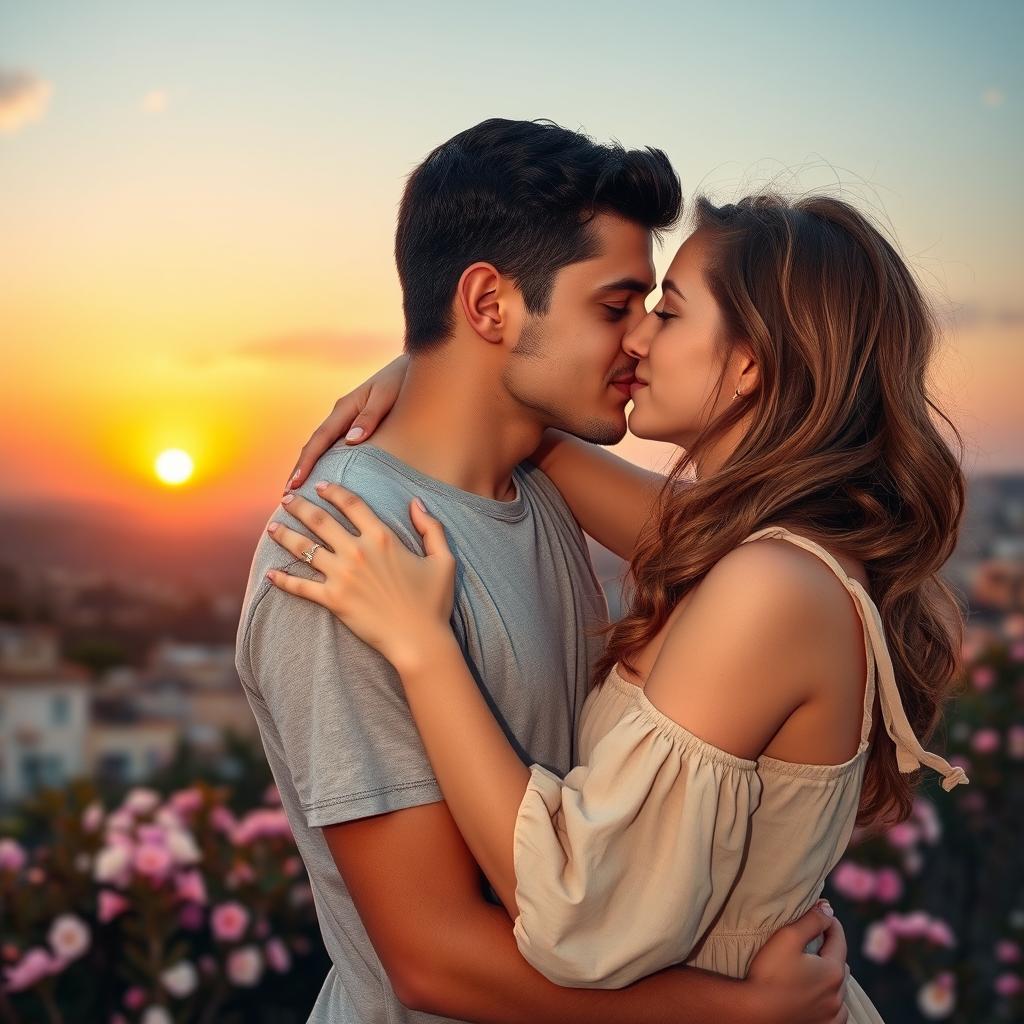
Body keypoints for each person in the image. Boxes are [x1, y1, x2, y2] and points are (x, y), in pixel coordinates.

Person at [277, 189, 971, 1021]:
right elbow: (543, 442)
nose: (636, 335)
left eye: (667, 313)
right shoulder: (762, 550)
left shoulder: (769, 590)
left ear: (751, 363)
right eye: (626, 307)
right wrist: (448, 367)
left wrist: (423, 648)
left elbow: (575, 914)